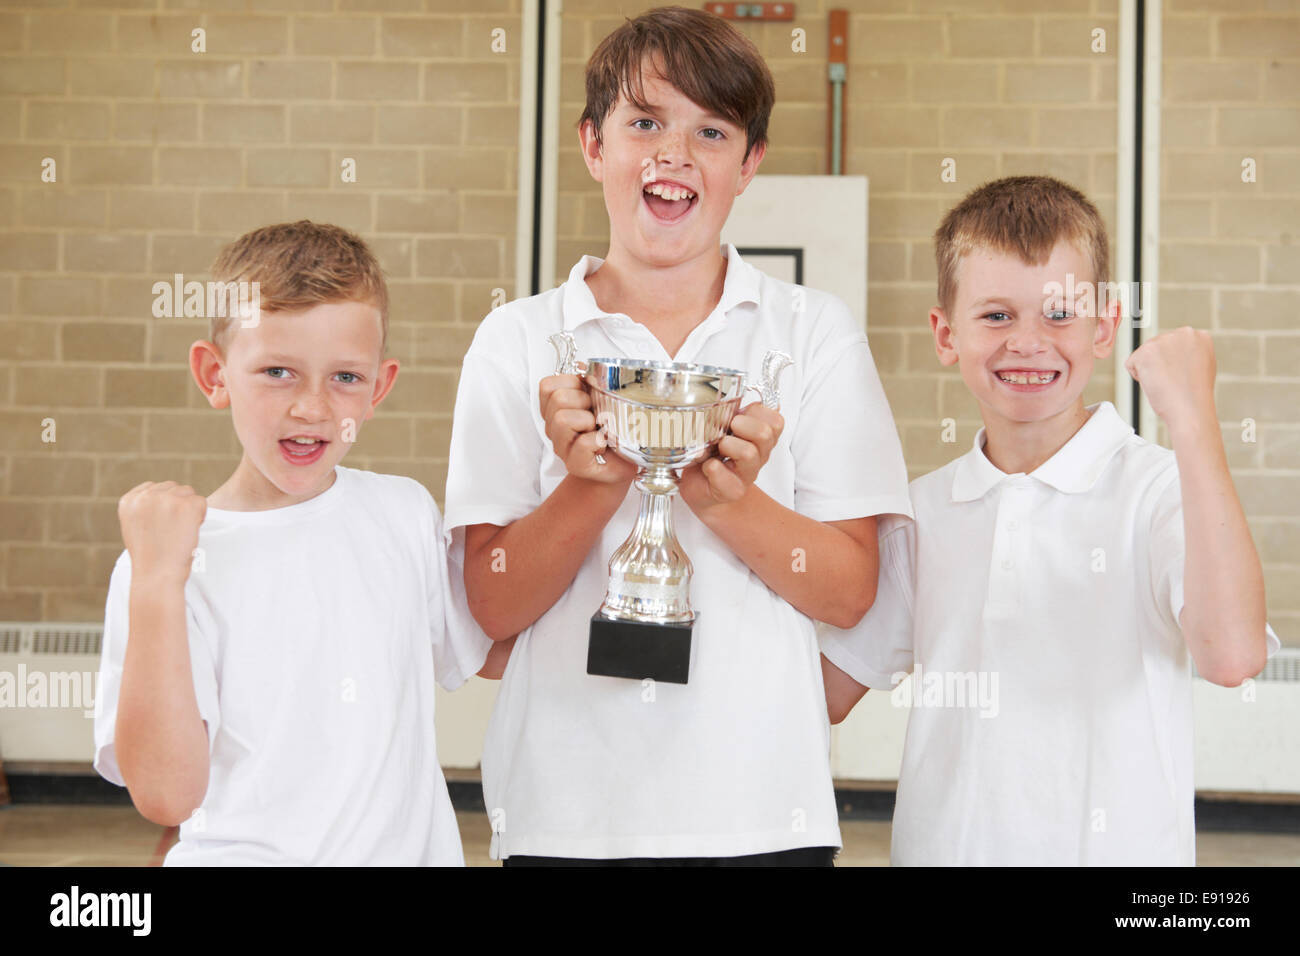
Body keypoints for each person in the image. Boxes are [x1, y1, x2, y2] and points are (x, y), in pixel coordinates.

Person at [444, 6, 911, 865]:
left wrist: (726, 500)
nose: (674, 153)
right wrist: (593, 482)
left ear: (748, 165)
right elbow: (492, 605)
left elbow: (851, 593)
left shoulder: (811, 331)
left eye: (711, 130)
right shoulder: (516, 339)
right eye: (645, 122)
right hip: (565, 814)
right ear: (593, 146)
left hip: (765, 812)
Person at [820, 175, 1280, 865]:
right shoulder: (920, 512)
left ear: (1103, 327)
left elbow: (1232, 656)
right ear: (946, 334)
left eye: (1059, 315)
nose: (1028, 342)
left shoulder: (1160, 490)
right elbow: (823, 692)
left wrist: (1192, 420)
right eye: (996, 316)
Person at [94, 220, 496, 865]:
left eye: (345, 377)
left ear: (379, 389)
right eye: (278, 371)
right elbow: (167, 795)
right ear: (214, 374)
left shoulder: (402, 513)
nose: (312, 407)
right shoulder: (168, 562)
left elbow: (492, 650)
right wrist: (156, 584)